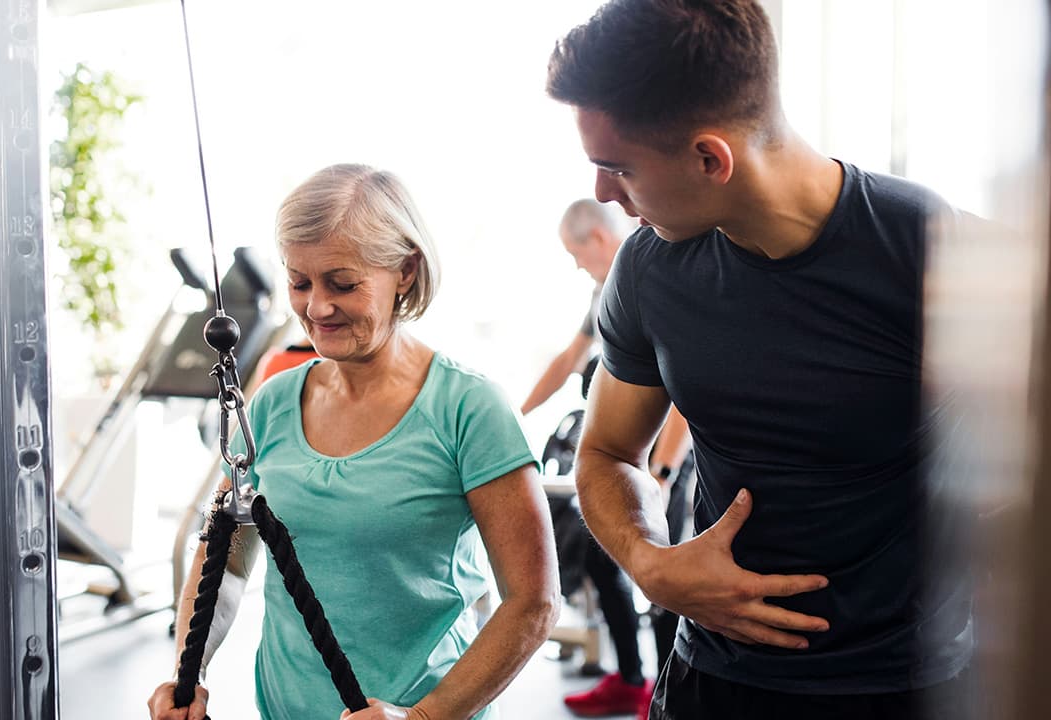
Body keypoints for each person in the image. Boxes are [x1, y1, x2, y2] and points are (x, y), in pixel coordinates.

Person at [545, 2, 976, 719]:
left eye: (618, 169)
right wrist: (652, 564)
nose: (602, 195)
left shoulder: (931, 249)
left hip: (908, 686)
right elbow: (608, 452)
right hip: (713, 683)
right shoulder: (649, 272)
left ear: (711, 159)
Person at [147, 163, 559, 720]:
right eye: (300, 283)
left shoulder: (469, 408)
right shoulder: (271, 403)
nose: (316, 308)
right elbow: (229, 557)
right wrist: (187, 672)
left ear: (405, 272)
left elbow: (532, 604)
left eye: (342, 283)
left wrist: (422, 719)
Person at [522, 199, 694, 717]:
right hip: (629, 456)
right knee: (602, 551)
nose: (576, 263)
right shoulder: (607, 289)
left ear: (597, 237)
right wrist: (515, 414)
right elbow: (567, 361)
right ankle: (635, 679)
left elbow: (682, 393)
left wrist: (660, 473)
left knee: (671, 573)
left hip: (668, 458)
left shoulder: (657, 274)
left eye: (576, 252)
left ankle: (669, 693)